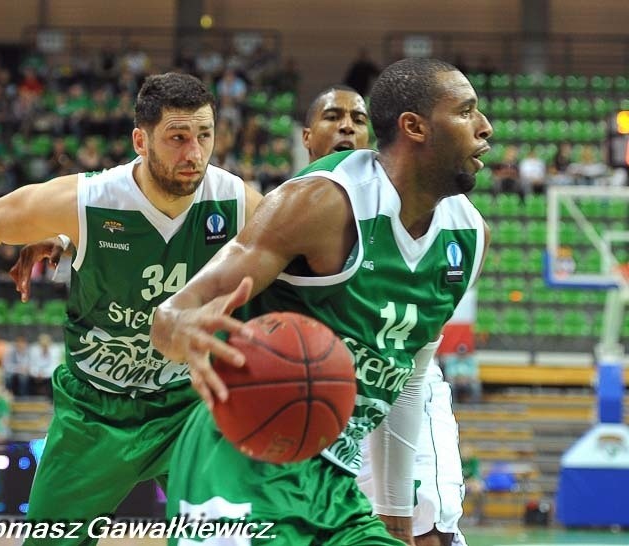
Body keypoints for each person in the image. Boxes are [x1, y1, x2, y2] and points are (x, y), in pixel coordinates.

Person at [0, 72, 262, 544]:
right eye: (178, 138)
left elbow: (293, 264)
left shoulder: (234, 200)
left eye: (204, 136)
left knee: (234, 537)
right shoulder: (90, 201)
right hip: (95, 411)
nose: (194, 154)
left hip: (185, 407)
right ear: (140, 141)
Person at [150, 58, 492, 545]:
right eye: (466, 112)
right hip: (242, 458)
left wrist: (395, 507)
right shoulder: (324, 203)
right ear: (414, 127)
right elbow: (173, 312)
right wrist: (180, 330)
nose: (485, 128)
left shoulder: (468, 236)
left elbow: (408, 378)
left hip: (335, 478)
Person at [302, 85, 474, 546]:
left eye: (358, 119)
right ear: (306, 137)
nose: (346, 126)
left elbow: (419, 358)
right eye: (332, 116)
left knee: (423, 534)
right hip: (315, 396)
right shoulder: (290, 210)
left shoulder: (452, 217)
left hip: (399, 380)